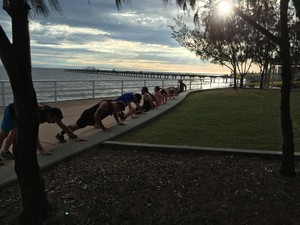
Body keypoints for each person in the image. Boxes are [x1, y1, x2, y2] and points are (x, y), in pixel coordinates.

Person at [0, 103, 78, 159]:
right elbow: (34, 134)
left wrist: (74, 136)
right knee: (3, 134)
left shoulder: (53, 112)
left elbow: (63, 126)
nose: (54, 123)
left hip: (23, 115)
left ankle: (5, 152)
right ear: (50, 116)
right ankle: (4, 152)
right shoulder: (37, 116)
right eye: (54, 121)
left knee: (14, 134)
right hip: (12, 112)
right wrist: (41, 149)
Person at [55, 100, 126, 143]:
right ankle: (60, 135)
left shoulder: (113, 106)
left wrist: (118, 122)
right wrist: (103, 128)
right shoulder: (105, 105)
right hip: (88, 116)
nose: (118, 111)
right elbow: (96, 116)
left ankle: (69, 135)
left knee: (77, 127)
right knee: (76, 126)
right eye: (118, 110)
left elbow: (114, 113)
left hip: (91, 119)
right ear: (117, 106)